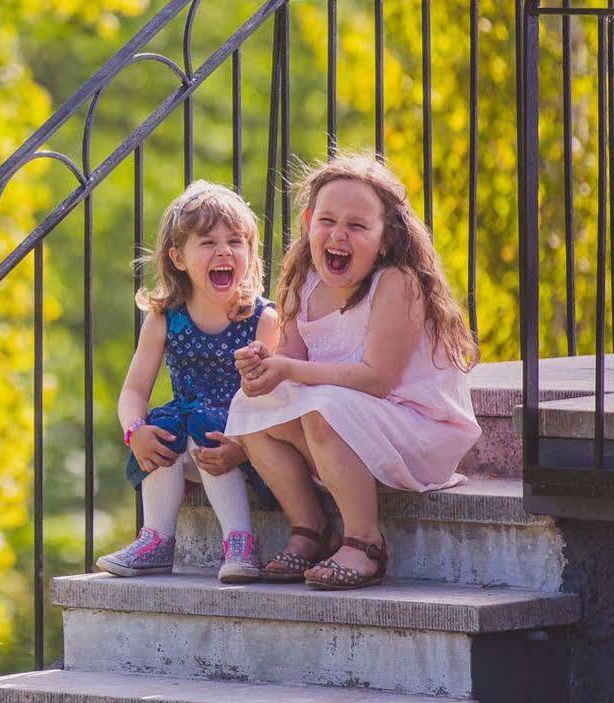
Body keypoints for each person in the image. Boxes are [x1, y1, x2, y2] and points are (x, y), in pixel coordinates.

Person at [224, 152, 480, 591]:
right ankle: (311, 527)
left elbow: (377, 379)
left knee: (323, 408)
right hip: (353, 423)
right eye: (327, 221)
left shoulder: (397, 282)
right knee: (252, 404)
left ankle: (365, 543)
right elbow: (290, 355)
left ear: (384, 239)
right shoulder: (304, 279)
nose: (338, 235)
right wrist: (264, 369)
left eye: (357, 226)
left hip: (418, 427)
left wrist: (291, 369)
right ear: (308, 223)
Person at [96, 181, 280, 582]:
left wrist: (245, 445)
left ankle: (241, 542)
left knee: (203, 428)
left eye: (236, 241)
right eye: (208, 242)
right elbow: (133, 390)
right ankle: (156, 541)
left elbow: (276, 399)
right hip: (190, 443)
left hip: (243, 443)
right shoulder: (165, 319)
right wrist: (135, 431)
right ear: (178, 257)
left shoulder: (262, 321)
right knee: (164, 428)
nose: (224, 251)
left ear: (250, 253)